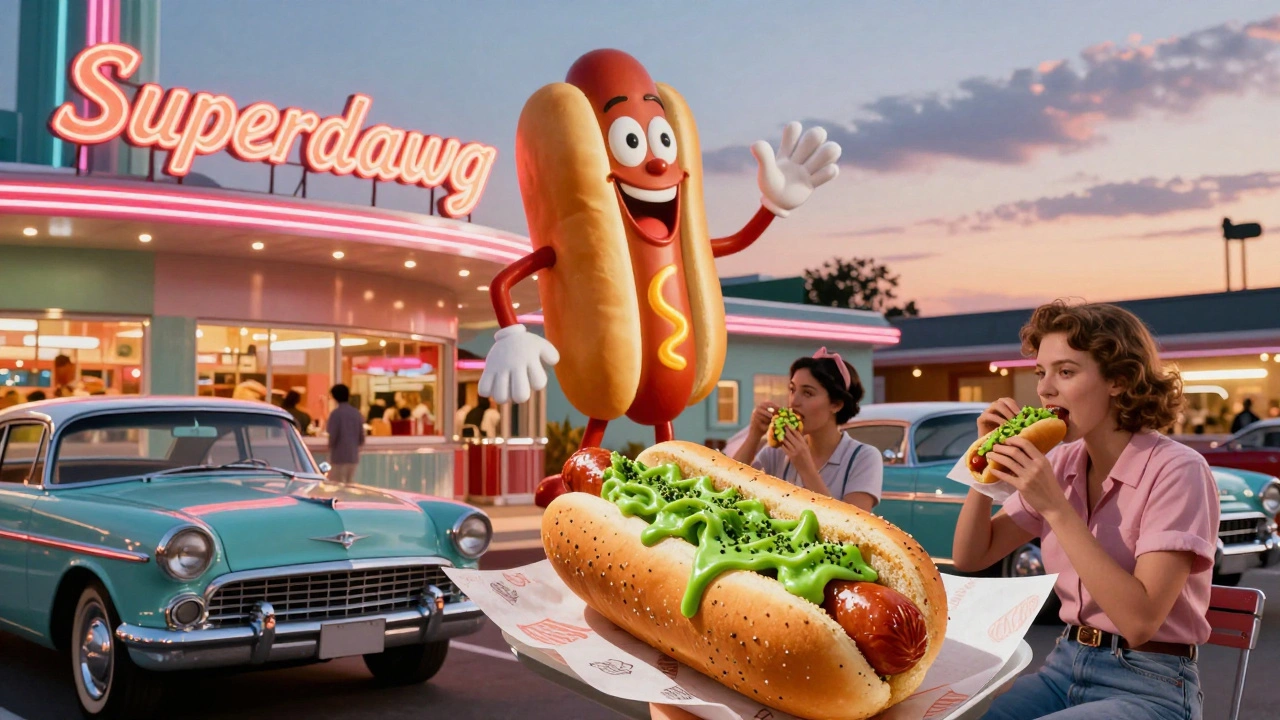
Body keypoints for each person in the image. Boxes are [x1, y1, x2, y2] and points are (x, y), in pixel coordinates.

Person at [952, 300, 1217, 720]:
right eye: (1041, 372)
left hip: (1152, 684)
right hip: (1064, 666)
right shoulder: (1063, 461)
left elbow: (1139, 621)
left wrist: (1056, 509)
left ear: (1119, 379)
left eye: (1066, 372)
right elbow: (972, 555)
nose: (1044, 389)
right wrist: (986, 459)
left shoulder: (1178, 470)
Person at [731, 348, 882, 511]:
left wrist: (805, 468)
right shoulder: (778, 452)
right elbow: (728, 488)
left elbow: (853, 529)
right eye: (792, 389)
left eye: (808, 393)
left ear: (836, 404)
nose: (794, 401)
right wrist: (754, 435)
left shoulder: (863, 457)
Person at [325, 384, 365, 485]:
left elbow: (333, 436)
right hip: (353, 457)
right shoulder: (356, 413)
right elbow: (361, 438)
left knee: (336, 485)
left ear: (335, 396)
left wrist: (329, 450)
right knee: (349, 485)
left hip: (338, 457)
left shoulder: (335, 414)